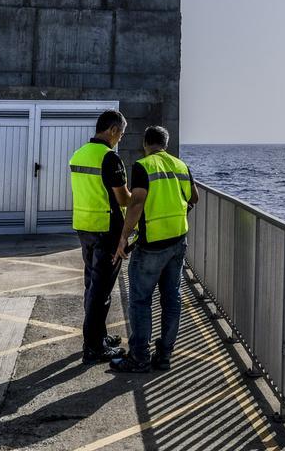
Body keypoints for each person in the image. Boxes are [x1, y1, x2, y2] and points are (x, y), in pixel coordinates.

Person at [110, 125, 198, 373]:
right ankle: (165, 356)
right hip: (178, 241)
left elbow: (136, 203)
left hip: (151, 246)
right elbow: (194, 198)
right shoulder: (181, 166)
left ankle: (139, 358)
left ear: (145, 143)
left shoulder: (143, 166)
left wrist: (122, 239)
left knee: (140, 301)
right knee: (172, 299)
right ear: (166, 144)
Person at [69, 109, 131, 363]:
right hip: (106, 230)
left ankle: (98, 336)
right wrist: (142, 198)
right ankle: (94, 347)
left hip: (84, 226)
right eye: (122, 134)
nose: (121, 139)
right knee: (101, 291)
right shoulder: (109, 158)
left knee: (92, 286)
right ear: (113, 130)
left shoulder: (79, 153)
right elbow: (123, 198)